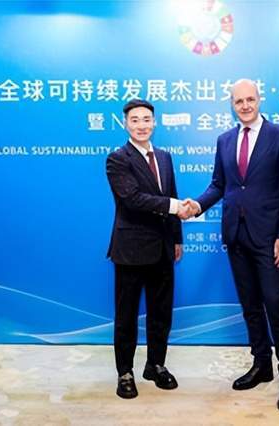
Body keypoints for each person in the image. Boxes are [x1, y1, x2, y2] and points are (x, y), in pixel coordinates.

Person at [184, 79, 279, 411]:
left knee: (275, 304)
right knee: (250, 305)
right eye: (239, 101)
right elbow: (219, 185)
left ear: (259, 100)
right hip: (236, 235)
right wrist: (197, 205)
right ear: (232, 105)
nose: (245, 105)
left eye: (250, 99)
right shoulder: (225, 140)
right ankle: (261, 365)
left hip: (269, 238)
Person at [106, 99, 189, 399]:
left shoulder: (164, 157)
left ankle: (155, 364)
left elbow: (172, 194)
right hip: (131, 249)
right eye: (135, 120)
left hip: (163, 247)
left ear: (155, 123)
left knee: (161, 313)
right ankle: (125, 372)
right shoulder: (118, 159)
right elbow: (132, 199)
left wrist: (177, 238)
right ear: (125, 124)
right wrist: (175, 207)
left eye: (146, 119)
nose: (141, 125)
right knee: (126, 315)